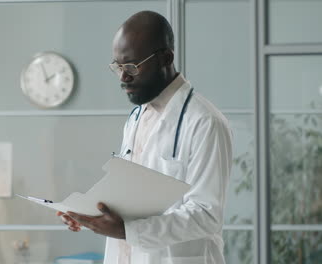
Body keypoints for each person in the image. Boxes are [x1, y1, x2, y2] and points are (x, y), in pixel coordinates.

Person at [57, 10, 232, 264]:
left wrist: (126, 230)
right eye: (117, 66)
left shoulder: (205, 122)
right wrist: (87, 214)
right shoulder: (137, 117)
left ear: (166, 58)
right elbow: (127, 194)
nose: (123, 77)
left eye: (131, 66)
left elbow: (206, 215)